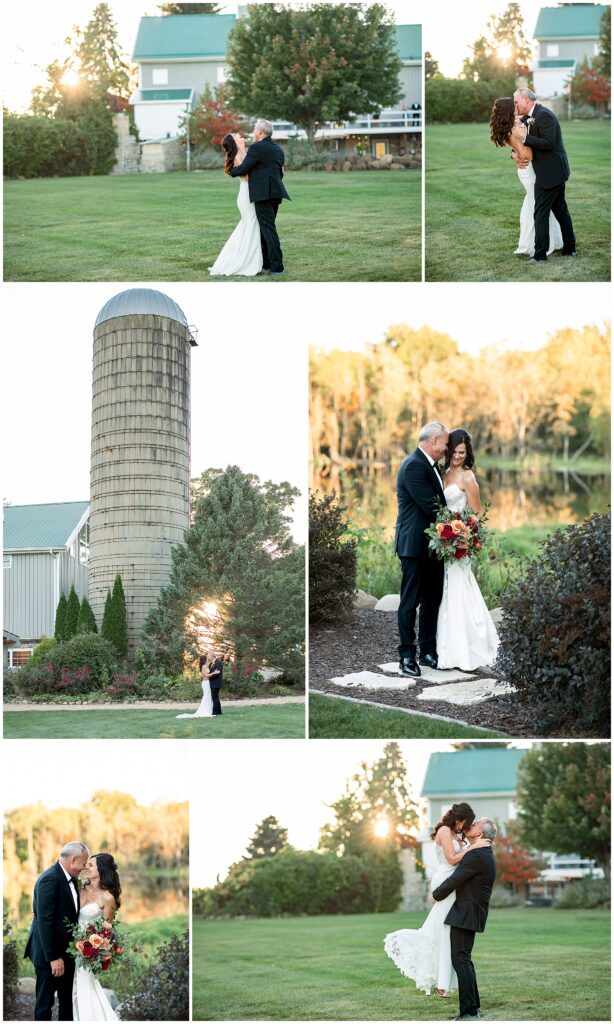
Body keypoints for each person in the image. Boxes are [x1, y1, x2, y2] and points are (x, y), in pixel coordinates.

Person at [384, 803, 492, 997]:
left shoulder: (458, 834)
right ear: (459, 819)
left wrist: (472, 846)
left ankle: (443, 981)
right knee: (444, 931)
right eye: (466, 823)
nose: (465, 827)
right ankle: (441, 981)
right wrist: (473, 847)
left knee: (445, 932)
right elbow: (451, 859)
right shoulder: (444, 830)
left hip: (454, 883)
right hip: (446, 880)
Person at [436, 429, 499, 671]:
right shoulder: (443, 472)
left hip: (459, 545)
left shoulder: (467, 477)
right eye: (454, 452)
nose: (458, 456)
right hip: (443, 541)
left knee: (460, 589)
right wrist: (443, 532)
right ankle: (445, 647)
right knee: (445, 591)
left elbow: (475, 516)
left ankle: (465, 650)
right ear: (448, 450)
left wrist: (461, 536)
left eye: (462, 453)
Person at [395, 422, 449, 677]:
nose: (446, 449)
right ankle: (406, 656)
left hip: (434, 546)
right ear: (435, 440)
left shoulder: (432, 465)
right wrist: (460, 524)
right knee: (410, 603)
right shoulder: (415, 465)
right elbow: (432, 507)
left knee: (432, 600)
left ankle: (428, 651)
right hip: (415, 545)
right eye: (445, 444)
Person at [431, 818, 498, 1021]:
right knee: (464, 960)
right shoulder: (480, 851)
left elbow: (455, 880)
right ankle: (473, 1008)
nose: (470, 825)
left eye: (474, 824)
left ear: (479, 832)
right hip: (470, 912)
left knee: (461, 960)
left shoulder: (477, 854)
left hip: (466, 913)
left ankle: (469, 1011)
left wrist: (435, 895)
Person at [508, 88, 576, 264]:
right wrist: (514, 153)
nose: (515, 105)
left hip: (551, 172)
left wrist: (526, 137)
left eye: (516, 101)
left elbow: (548, 143)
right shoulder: (530, 116)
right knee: (560, 211)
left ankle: (540, 255)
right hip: (551, 171)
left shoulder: (545, 115)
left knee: (541, 213)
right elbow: (516, 140)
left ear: (526, 100)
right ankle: (570, 249)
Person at [489, 97, 563, 258]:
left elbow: (529, 116)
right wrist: (523, 140)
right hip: (529, 170)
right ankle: (544, 245)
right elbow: (527, 154)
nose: (517, 105)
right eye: (514, 104)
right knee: (538, 207)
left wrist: (515, 151)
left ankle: (541, 242)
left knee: (531, 206)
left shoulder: (515, 122)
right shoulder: (513, 130)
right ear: (510, 110)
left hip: (531, 169)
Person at [25, 841, 89, 1021]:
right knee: (45, 1005)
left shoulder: (71, 878)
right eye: (84, 863)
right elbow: (45, 922)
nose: (84, 868)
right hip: (49, 955)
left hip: (68, 953)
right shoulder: (50, 879)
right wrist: (53, 958)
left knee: (67, 1001)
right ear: (74, 859)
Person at [229, 118, 291, 275]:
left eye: (255, 129)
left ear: (261, 132)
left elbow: (244, 168)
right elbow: (280, 172)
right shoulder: (278, 149)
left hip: (263, 194)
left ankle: (277, 268)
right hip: (276, 194)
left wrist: (231, 171)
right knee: (265, 230)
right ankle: (267, 263)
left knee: (268, 230)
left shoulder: (257, 148)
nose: (254, 131)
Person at [72, 854, 121, 1021]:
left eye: (91, 865)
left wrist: (94, 951)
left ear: (101, 870)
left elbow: (106, 931)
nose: (86, 867)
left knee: (84, 985)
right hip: (67, 944)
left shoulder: (108, 898)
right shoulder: (79, 887)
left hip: (86, 950)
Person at [209, 133, 263, 277]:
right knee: (251, 226)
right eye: (235, 135)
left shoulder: (244, 153)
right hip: (246, 196)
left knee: (248, 227)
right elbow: (247, 177)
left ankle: (246, 258)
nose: (239, 134)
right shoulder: (238, 158)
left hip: (250, 194)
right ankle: (245, 262)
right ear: (234, 141)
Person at [176, 653, 215, 718]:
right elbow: (206, 675)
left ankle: (207, 710)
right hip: (206, 683)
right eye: (207, 658)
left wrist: (211, 660)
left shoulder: (204, 666)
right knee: (206, 696)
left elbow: (205, 672)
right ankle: (205, 711)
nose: (208, 658)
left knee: (207, 696)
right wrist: (214, 672)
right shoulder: (204, 666)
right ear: (205, 659)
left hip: (206, 682)